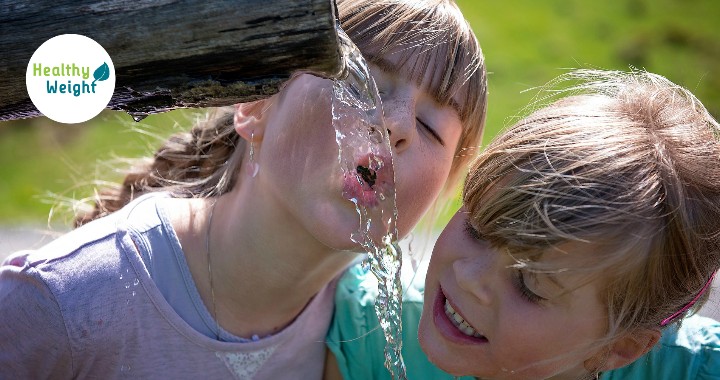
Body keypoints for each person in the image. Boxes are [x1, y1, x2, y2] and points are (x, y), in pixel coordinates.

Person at [0, 0, 487, 378]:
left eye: (429, 126)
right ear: (255, 106)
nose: (395, 124)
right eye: (361, 85)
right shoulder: (61, 304)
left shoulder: (377, 337)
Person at [328, 69, 720, 379]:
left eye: (529, 284)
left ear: (618, 348)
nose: (468, 277)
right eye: (478, 229)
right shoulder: (370, 334)